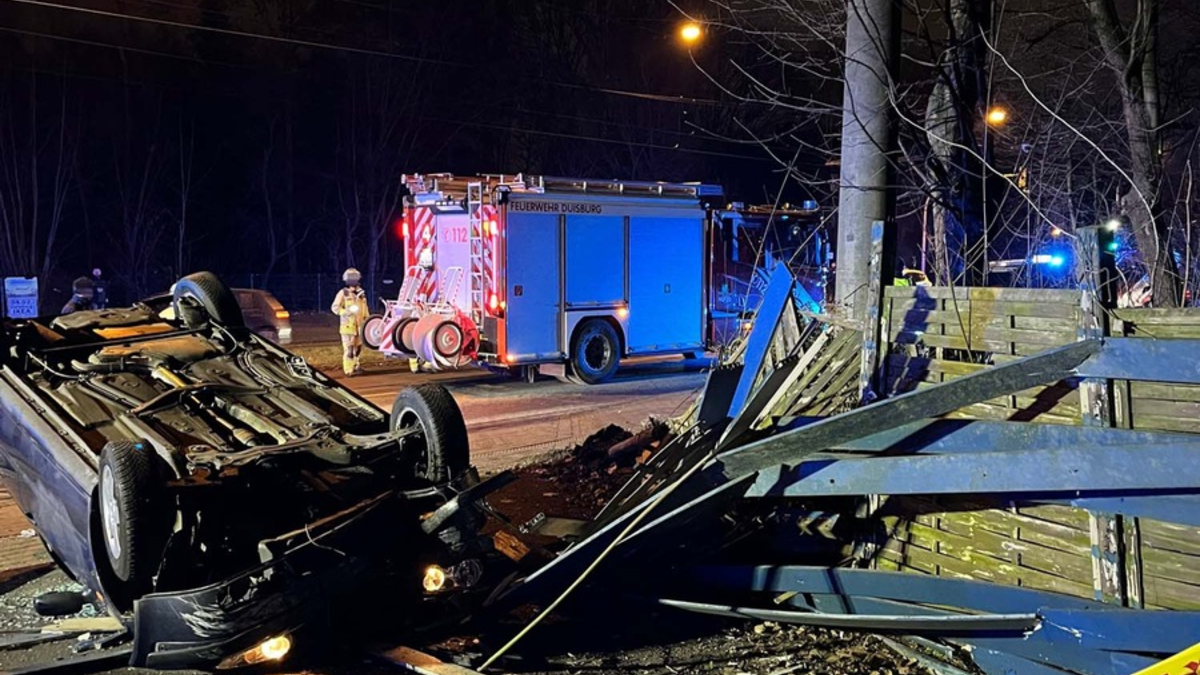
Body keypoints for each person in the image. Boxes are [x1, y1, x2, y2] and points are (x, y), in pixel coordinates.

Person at [331, 268, 368, 376]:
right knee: (349, 349)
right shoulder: (343, 293)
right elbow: (335, 308)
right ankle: (348, 370)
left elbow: (365, 309)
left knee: (358, 348)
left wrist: (367, 321)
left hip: (359, 327)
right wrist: (346, 312)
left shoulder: (361, 294)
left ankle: (356, 366)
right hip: (348, 327)